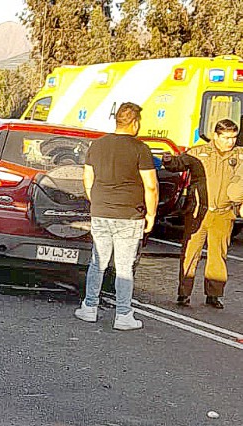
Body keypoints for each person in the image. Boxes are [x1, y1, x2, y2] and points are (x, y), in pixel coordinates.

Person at [74, 102, 158, 330]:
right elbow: (150, 186)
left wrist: (97, 200)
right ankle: (123, 315)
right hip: (129, 214)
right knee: (123, 267)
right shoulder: (140, 149)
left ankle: (89, 307)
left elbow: (87, 178)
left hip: (101, 212)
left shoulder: (97, 145)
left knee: (97, 262)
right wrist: (151, 214)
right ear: (135, 122)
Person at [164, 119, 243, 309]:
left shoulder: (240, 156)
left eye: (233, 137)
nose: (230, 142)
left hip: (224, 213)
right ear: (215, 136)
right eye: (225, 138)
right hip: (198, 211)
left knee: (218, 256)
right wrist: (168, 160)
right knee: (190, 253)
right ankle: (183, 293)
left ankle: (214, 294)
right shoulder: (199, 153)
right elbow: (178, 164)